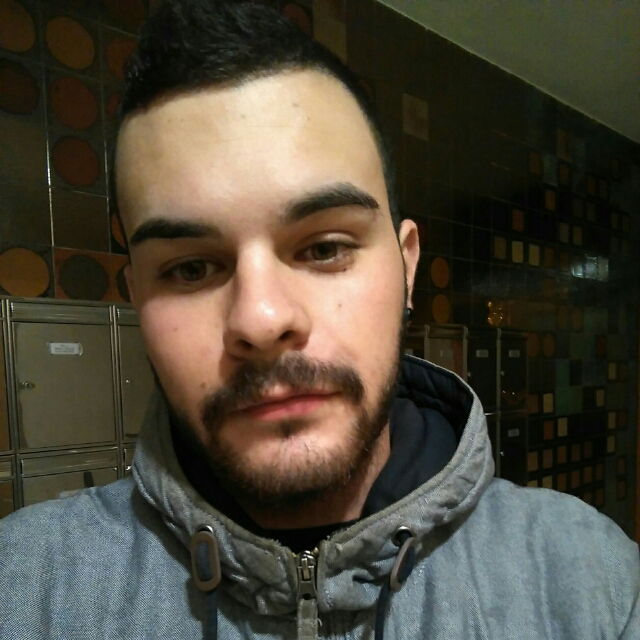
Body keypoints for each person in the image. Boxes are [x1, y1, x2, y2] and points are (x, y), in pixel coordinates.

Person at [1, 1, 638, 638]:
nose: (261, 319)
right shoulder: (27, 585)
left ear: (407, 267)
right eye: (190, 269)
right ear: (136, 298)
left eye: (325, 248)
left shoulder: (593, 583)